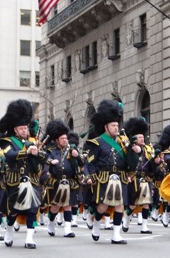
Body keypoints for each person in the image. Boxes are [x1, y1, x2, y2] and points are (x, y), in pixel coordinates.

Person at [0, 99, 47, 249]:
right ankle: (9, 232)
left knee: (33, 210)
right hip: (15, 180)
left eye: (26, 128)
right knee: (14, 210)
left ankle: (29, 238)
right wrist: (26, 151)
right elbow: (9, 155)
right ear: (15, 130)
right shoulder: (7, 141)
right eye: (21, 128)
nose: (25, 130)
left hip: (32, 180)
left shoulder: (33, 141)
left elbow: (45, 157)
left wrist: (37, 152)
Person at [84, 99, 130, 244]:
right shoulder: (97, 142)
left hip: (120, 177)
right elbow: (90, 161)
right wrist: (91, 176)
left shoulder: (123, 142)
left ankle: (116, 235)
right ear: (106, 127)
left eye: (117, 125)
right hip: (104, 178)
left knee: (120, 205)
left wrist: (135, 152)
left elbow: (129, 162)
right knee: (103, 206)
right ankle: (96, 222)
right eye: (113, 125)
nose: (117, 128)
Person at [43, 119, 82, 238]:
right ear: (56, 140)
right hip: (56, 181)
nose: (65, 140)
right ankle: (50, 222)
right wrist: (50, 161)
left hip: (69, 181)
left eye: (66, 138)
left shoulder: (72, 150)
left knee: (68, 205)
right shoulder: (51, 151)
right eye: (62, 138)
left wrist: (77, 156)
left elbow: (81, 163)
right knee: (55, 206)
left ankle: (67, 229)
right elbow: (44, 160)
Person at [122, 116, 154, 234]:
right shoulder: (129, 148)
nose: (141, 138)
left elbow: (151, 165)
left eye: (142, 136)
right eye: (139, 137)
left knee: (146, 203)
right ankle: (126, 220)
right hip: (134, 179)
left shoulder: (148, 149)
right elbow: (128, 164)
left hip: (145, 178)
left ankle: (144, 226)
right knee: (132, 204)